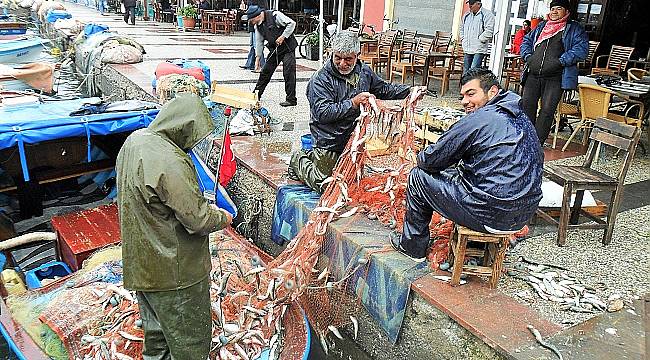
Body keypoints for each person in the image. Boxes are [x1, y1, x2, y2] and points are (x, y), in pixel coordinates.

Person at [116, 93, 233, 358]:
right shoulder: (171, 160)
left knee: (156, 341)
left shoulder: (134, 141)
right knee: (190, 346)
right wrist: (223, 218)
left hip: (142, 267)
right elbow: (198, 219)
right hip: (176, 276)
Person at [390, 68, 543, 262]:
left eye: (471, 94)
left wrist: (422, 157)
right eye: (462, 96)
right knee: (470, 175)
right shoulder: (521, 116)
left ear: (492, 92)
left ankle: (412, 247)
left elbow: (430, 160)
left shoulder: (478, 119)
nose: (464, 101)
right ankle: (479, 242)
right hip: (523, 214)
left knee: (418, 177)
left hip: (491, 215)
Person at [288, 31, 417, 193]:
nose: (342, 63)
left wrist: (410, 91)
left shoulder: (364, 72)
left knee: (353, 183)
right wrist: (354, 103)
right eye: (338, 57)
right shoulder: (320, 79)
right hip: (329, 140)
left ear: (357, 56)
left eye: (348, 59)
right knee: (328, 186)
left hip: (354, 139)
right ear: (331, 53)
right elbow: (323, 113)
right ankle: (298, 159)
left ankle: (318, 158)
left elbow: (384, 89)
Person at [520, 0, 588, 146]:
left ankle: (536, 143)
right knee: (527, 106)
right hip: (533, 74)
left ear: (566, 11)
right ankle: (526, 138)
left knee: (547, 111)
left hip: (555, 77)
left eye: (559, 8)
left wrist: (560, 61)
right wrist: (528, 57)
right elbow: (526, 41)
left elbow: (581, 50)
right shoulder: (542, 26)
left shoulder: (574, 28)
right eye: (552, 9)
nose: (554, 12)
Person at [248, 5, 298, 107]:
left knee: (288, 72)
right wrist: (257, 60)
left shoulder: (275, 15)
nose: (251, 22)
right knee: (265, 72)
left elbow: (292, 23)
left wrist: (283, 36)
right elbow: (259, 42)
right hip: (275, 49)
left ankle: (291, 99)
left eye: (251, 20)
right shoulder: (257, 26)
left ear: (257, 16)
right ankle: (256, 95)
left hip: (287, 48)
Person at [460, 0, 495, 73]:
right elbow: (461, 28)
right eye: (469, 3)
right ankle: (465, 84)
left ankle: (473, 84)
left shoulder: (487, 14)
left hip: (479, 49)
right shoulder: (467, 15)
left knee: (473, 70)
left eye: (472, 4)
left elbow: (489, 31)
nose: (470, 6)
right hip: (467, 48)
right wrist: (463, 39)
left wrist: (480, 40)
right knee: (466, 71)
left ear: (479, 4)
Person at [240, 0, 267, 71]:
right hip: (252, 23)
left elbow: (262, 10)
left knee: (257, 45)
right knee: (252, 45)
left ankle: (262, 65)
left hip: (257, 22)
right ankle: (250, 64)